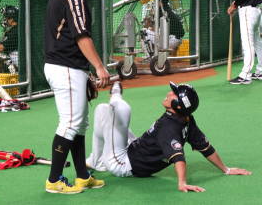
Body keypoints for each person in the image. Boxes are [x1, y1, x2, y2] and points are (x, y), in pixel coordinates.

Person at [86, 81, 252, 192]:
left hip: (122, 163)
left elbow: (178, 158)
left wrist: (182, 183)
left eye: (173, 94)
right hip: (133, 148)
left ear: (177, 106)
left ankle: (97, 161)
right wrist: (226, 169)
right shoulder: (186, 119)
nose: (169, 93)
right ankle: (96, 160)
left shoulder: (169, 127)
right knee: (118, 117)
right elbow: (205, 148)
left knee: (104, 110)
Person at [43, 0, 110, 194]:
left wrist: (86, 72)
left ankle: (82, 175)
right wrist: (99, 67)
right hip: (65, 67)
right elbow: (82, 36)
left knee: (80, 124)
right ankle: (54, 180)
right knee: (70, 123)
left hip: (69, 67)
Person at [227, 0, 262, 84]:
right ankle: (260, 71)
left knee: (248, 43)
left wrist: (233, 6)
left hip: (248, 11)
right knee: (258, 42)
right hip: (258, 10)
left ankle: (245, 75)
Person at [0, 5, 19, 74]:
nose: (4, 20)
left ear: (12, 19)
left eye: (6, 18)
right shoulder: (16, 28)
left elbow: (0, 48)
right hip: (21, 58)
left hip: (20, 60)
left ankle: (13, 72)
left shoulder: (15, 31)